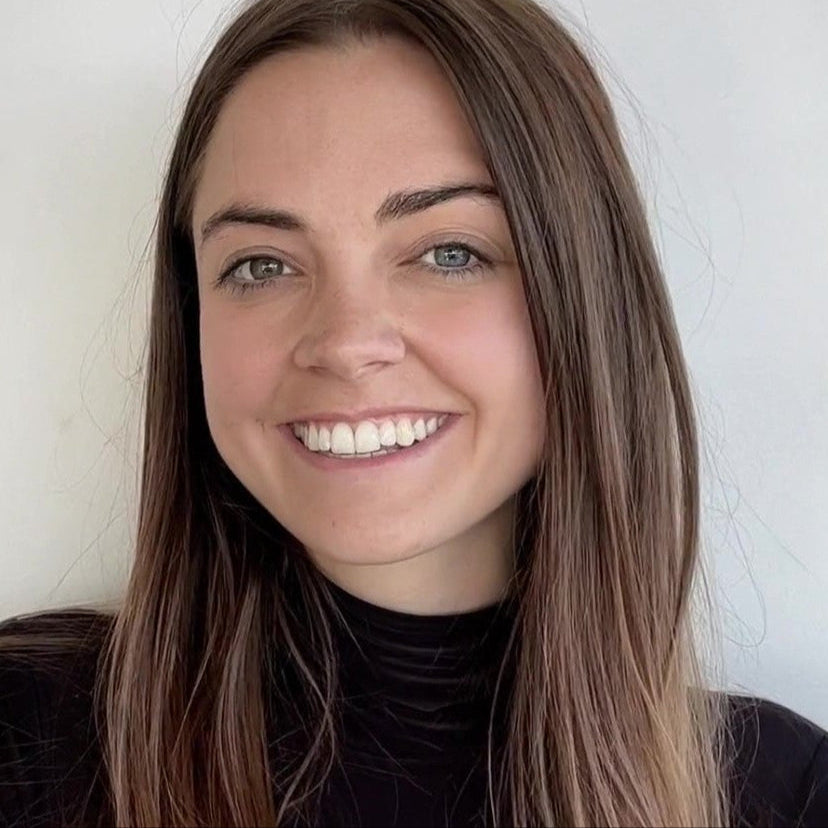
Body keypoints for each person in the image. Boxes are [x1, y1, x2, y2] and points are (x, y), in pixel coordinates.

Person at [1, 0, 826, 826]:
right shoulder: (25, 738)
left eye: (449, 252)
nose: (346, 341)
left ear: (582, 297)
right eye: (260, 264)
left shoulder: (784, 795)